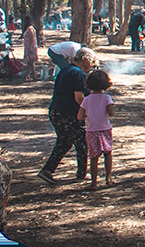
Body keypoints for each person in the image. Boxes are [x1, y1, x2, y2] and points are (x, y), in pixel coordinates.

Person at [38, 47, 98, 184]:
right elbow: (79, 97)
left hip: (55, 111)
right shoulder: (78, 74)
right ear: (85, 59)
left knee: (64, 142)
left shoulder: (65, 69)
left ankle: (47, 170)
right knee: (81, 143)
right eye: (92, 61)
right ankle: (82, 173)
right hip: (69, 113)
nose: (92, 65)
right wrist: (89, 111)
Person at [79, 69, 116, 189]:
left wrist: (88, 114)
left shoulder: (86, 99)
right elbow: (111, 113)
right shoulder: (106, 98)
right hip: (105, 129)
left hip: (92, 130)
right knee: (107, 153)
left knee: (94, 157)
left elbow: (79, 116)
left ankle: (94, 182)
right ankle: (108, 178)